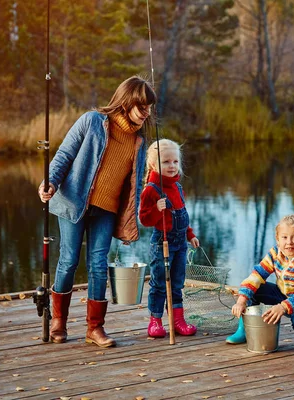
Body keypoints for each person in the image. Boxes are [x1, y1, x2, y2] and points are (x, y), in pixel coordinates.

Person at [37, 75, 156, 348]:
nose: (147, 112)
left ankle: (95, 327)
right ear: (127, 103)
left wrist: (130, 222)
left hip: (106, 210)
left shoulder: (138, 141)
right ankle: (59, 321)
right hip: (73, 201)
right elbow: (64, 155)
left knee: (98, 265)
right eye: (143, 106)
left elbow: (133, 186)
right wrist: (50, 182)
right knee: (68, 260)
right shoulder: (92, 121)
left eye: (149, 107)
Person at [226, 214, 294, 348]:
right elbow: (257, 275)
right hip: (283, 295)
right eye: (284, 237)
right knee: (255, 288)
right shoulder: (275, 253)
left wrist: (283, 307)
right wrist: (241, 300)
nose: (289, 242)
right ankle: (245, 329)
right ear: (277, 239)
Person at [139, 139, 200, 338]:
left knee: (177, 283)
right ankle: (155, 321)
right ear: (153, 165)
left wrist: (190, 235)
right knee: (158, 283)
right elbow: (144, 219)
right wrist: (157, 210)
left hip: (180, 244)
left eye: (175, 161)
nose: (172, 166)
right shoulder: (151, 190)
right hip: (161, 244)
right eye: (166, 162)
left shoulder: (178, 188)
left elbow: (182, 215)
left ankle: (178, 320)